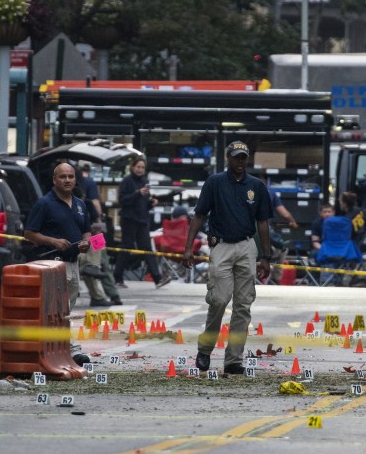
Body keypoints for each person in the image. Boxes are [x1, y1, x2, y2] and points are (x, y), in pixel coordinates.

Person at [181, 141, 273, 375]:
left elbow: (263, 222)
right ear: (228, 158)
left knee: (243, 305)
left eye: (244, 158)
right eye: (236, 158)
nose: (240, 162)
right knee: (219, 300)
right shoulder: (215, 182)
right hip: (221, 246)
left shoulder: (256, 186)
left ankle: (234, 359)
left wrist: (266, 256)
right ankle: (205, 348)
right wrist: (188, 248)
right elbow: (199, 214)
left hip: (246, 246)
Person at [24, 162, 92, 365]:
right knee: (52, 310)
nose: (68, 180)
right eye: (63, 176)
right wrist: (52, 241)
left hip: (73, 264)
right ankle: (52, 348)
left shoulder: (80, 204)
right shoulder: (44, 203)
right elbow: (29, 234)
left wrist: (87, 242)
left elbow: (86, 229)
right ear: (54, 180)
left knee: (67, 310)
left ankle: (65, 348)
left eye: (71, 176)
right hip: (52, 264)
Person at [113, 157, 172, 289]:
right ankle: (118, 277)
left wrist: (151, 203)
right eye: (138, 167)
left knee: (147, 249)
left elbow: (143, 204)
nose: (140, 170)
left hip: (142, 220)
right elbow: (123, 200)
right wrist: (137, 193)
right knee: (126, 248)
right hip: (129, 220)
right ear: (133, 167)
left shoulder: (144, 182)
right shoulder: (127, 181)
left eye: (142, 168)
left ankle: (158, 279)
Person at [76, 163, 122, 306]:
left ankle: (100, 295)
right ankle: (112, 295)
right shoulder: (89, 186)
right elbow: (96, 206)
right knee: (103, 265)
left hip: (82, 235)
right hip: (95, 233)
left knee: (90, 266)